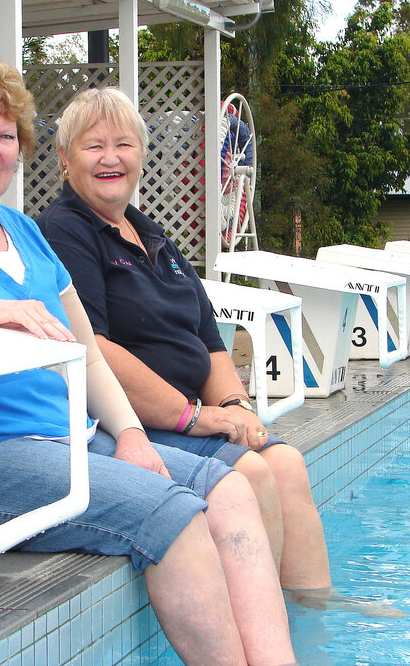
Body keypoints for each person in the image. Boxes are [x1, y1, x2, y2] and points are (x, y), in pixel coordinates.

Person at [0, 55, 297, 666]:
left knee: (231, 490)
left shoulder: (22, 231)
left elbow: (87, 354)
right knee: (176, 518)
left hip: (76, 441)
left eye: (3, 136)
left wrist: (129, 434)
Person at [36, 86, 333, 598]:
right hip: (132, 422)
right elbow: (94, 348)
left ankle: (312, 613)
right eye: (93, 146)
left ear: (141, 156)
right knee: (255, 474)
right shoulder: (64, 233)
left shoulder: (151, 234)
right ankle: (261, 623)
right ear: (65, 160)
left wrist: (237, 405)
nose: (111, 158)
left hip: (194, 413)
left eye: (124, 144)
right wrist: (195, 417)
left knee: (285, 462)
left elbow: (208, 339)